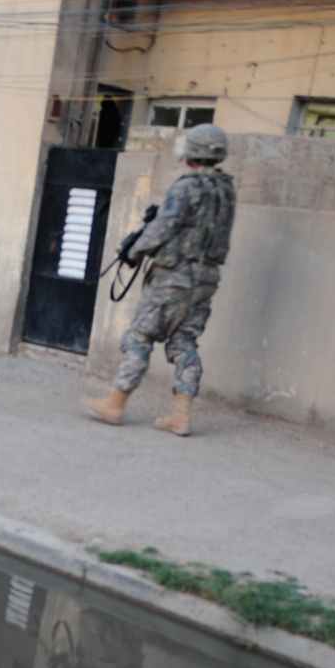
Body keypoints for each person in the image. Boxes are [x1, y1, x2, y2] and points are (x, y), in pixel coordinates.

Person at [87, 122, 236, 437]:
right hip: (206, 279)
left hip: (174, 278)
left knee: (140, 336)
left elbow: (163, 228)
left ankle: (115, 404)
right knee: (184, 342)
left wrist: (133, 251)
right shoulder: (226, 190)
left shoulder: (187, 187)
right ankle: (180, 415)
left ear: (192, 152)